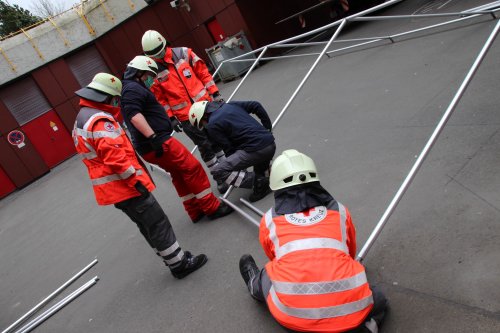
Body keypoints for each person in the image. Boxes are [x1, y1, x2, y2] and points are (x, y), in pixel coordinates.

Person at [72, 72, 207, 279]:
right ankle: (180, 264)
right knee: (157, 222)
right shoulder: (99, 120)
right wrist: (136, 181)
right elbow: (116, 159)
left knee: (147, 226)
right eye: (113, 98)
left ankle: (171, 258)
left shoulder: (81, 119)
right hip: (127, 186)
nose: (115, 102)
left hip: (115, 191)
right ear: (105, 96)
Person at [238, 149, 388, 332]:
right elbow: (349, 252)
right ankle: (367, 329)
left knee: (269, 273)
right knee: (378, 299)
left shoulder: (269, 220)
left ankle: (254, 285)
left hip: (294, 320)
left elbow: (274, 257)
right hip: (353, 313)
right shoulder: (340, 211)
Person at [119, 55, 233, 223]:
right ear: (138, 72)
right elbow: (135, 116)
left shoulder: (130, 87)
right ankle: (212, 207)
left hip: (150, 145)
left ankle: (194, 210)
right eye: (146, 75)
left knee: (179, 173)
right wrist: (153, 137)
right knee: (192, 168)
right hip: (158, 141)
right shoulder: (131, 89)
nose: (148, 79)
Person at [141, 30, 228, 193]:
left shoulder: (184, 53)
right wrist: (171, 118)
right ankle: (221, 177)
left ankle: (229, 169)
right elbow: (160, 99)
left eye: (157, 52)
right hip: (186, 117)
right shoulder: (152, 70)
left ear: (164, 43)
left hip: (206, 107)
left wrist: (215, 93)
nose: (156, 57)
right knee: (205, 147)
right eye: (152, 55)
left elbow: (203, 73)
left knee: (218, 138)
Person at [188, 100, 276, 202]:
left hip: (257, 150)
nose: (204, 126)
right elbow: (256, 105)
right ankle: (262, 178)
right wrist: (267, 127)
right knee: (258, 171)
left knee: (218, 171)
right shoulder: (230, 105)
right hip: (270, 143)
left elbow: (229, 149)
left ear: (203, 116)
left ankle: (259, 181)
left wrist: (237, 169)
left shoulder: (212, 125)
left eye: (201, 123)